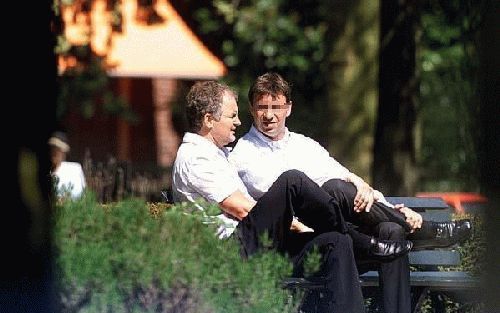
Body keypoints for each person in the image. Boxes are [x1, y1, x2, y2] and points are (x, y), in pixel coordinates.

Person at [228, 72, 472, 313]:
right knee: (334, 188)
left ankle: (406, 228)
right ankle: (422, 231)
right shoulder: (244, 154)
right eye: (262, 107)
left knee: (391, 228)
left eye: (276, 106)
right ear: (251, 109)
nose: (269, 115)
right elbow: (279, 203)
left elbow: (347, 177)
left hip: (344, 233)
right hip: (311, 244)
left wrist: (383, 202)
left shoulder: (304, 145)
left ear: (289, 108)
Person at [172, 81, 412, 312]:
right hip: (230, 252)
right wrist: (291, 221)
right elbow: (242, 209)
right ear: (208, 120)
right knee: (292, 181)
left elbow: (341, 175)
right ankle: (366, 244)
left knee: (335, 242)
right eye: (231, 116)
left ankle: (360, 242)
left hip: (258, 246)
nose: (237, 121)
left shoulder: (217, 154)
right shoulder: (196, 156)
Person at [48, 131, 86, 199]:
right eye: (52, 148)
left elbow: (81, 196)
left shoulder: (74, 170)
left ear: (64, 152)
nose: (54, 152)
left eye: (58, 149)